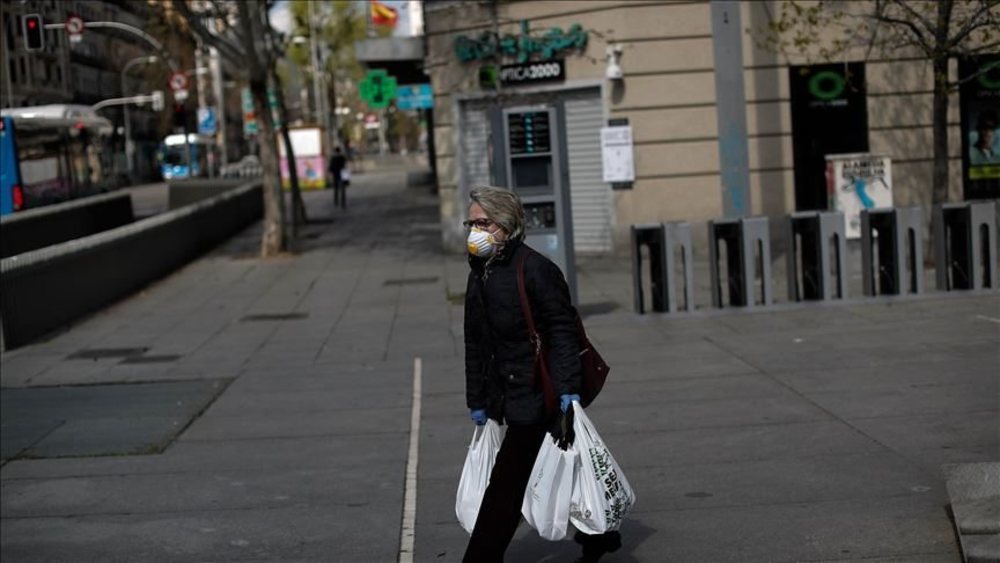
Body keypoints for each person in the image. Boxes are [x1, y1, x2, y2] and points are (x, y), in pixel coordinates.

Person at [462, 186, 622, 563]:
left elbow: (562, 331)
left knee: (506, 484)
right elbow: (475, 341)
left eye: (482, 222)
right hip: (507, 390)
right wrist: (477, 399)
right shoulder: (479, 272)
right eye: (470, 223)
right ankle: (599, 537)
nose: (474, 231)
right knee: (556, 466)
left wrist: (568, 390)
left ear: (505, 225)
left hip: (538, 392)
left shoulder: (535, 269)